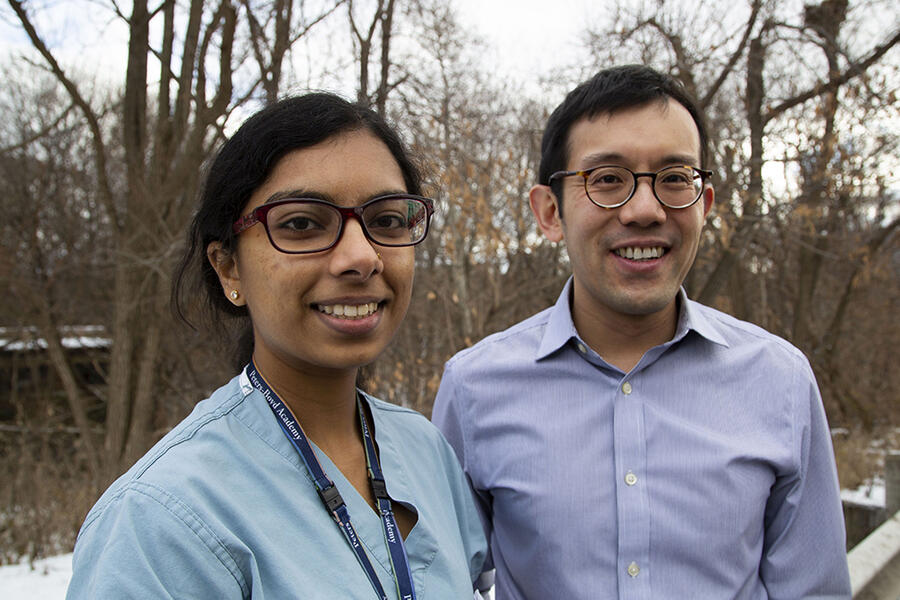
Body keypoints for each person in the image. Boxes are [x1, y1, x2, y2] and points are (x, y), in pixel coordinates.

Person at [432, 65, 851, 599]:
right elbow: (446, 583)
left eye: (675, 178)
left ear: (705, 205)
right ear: (549, 212)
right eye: (608, 179)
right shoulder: (474, 390)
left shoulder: (781, 382)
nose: (646, 210)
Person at [66, 93, 487, 599]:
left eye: (387, 220)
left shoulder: (424, 450)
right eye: (302, 223)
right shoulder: (160, 519)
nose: (361, 256)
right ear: (228, 268)